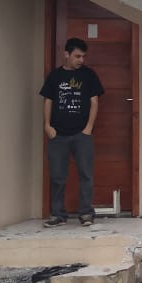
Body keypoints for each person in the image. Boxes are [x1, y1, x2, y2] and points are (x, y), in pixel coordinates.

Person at [39, 37, 104, 227]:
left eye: (83, 56)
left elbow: (94, 102)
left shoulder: (89, 75)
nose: (81, 60)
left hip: (81, 135)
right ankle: (58, 215)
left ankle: (86, 214)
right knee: (57, 176)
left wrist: (88, 128)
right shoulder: (55, 76)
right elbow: (48, 101)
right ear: (66, 54)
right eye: (77, 56)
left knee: (86, 175)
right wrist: (47, 126)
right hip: (58, 135)